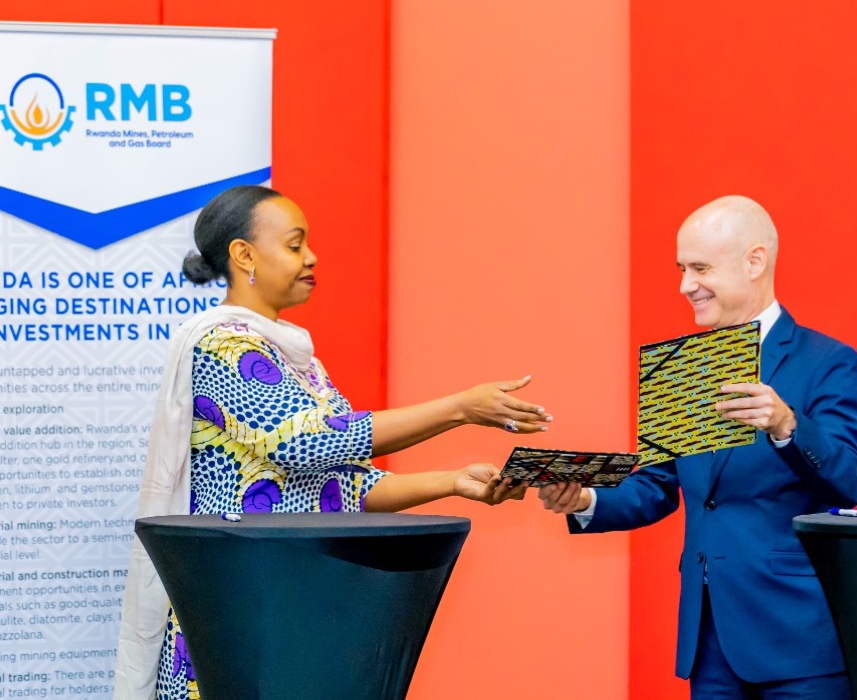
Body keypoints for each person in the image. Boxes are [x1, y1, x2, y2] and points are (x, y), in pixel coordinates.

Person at [114, 185, 547, 700]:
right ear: (244, 255)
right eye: (295, 245)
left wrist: (453, 482)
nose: (312, 257)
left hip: (297, 602)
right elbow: (306, 443)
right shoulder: (223, 345)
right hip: (242, 607)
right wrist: (459, 409)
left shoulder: (296, 359)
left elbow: (338, 490)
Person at [538, 196, 857, 700]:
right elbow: (654, 487)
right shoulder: (684, 368)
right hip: (709, 647)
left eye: (699, 268)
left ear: (754, 262)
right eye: (681, 269)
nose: (684, 285)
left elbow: (850, 480)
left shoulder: (827, 361)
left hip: (799, 643)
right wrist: (585, 500)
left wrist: (786, 424)